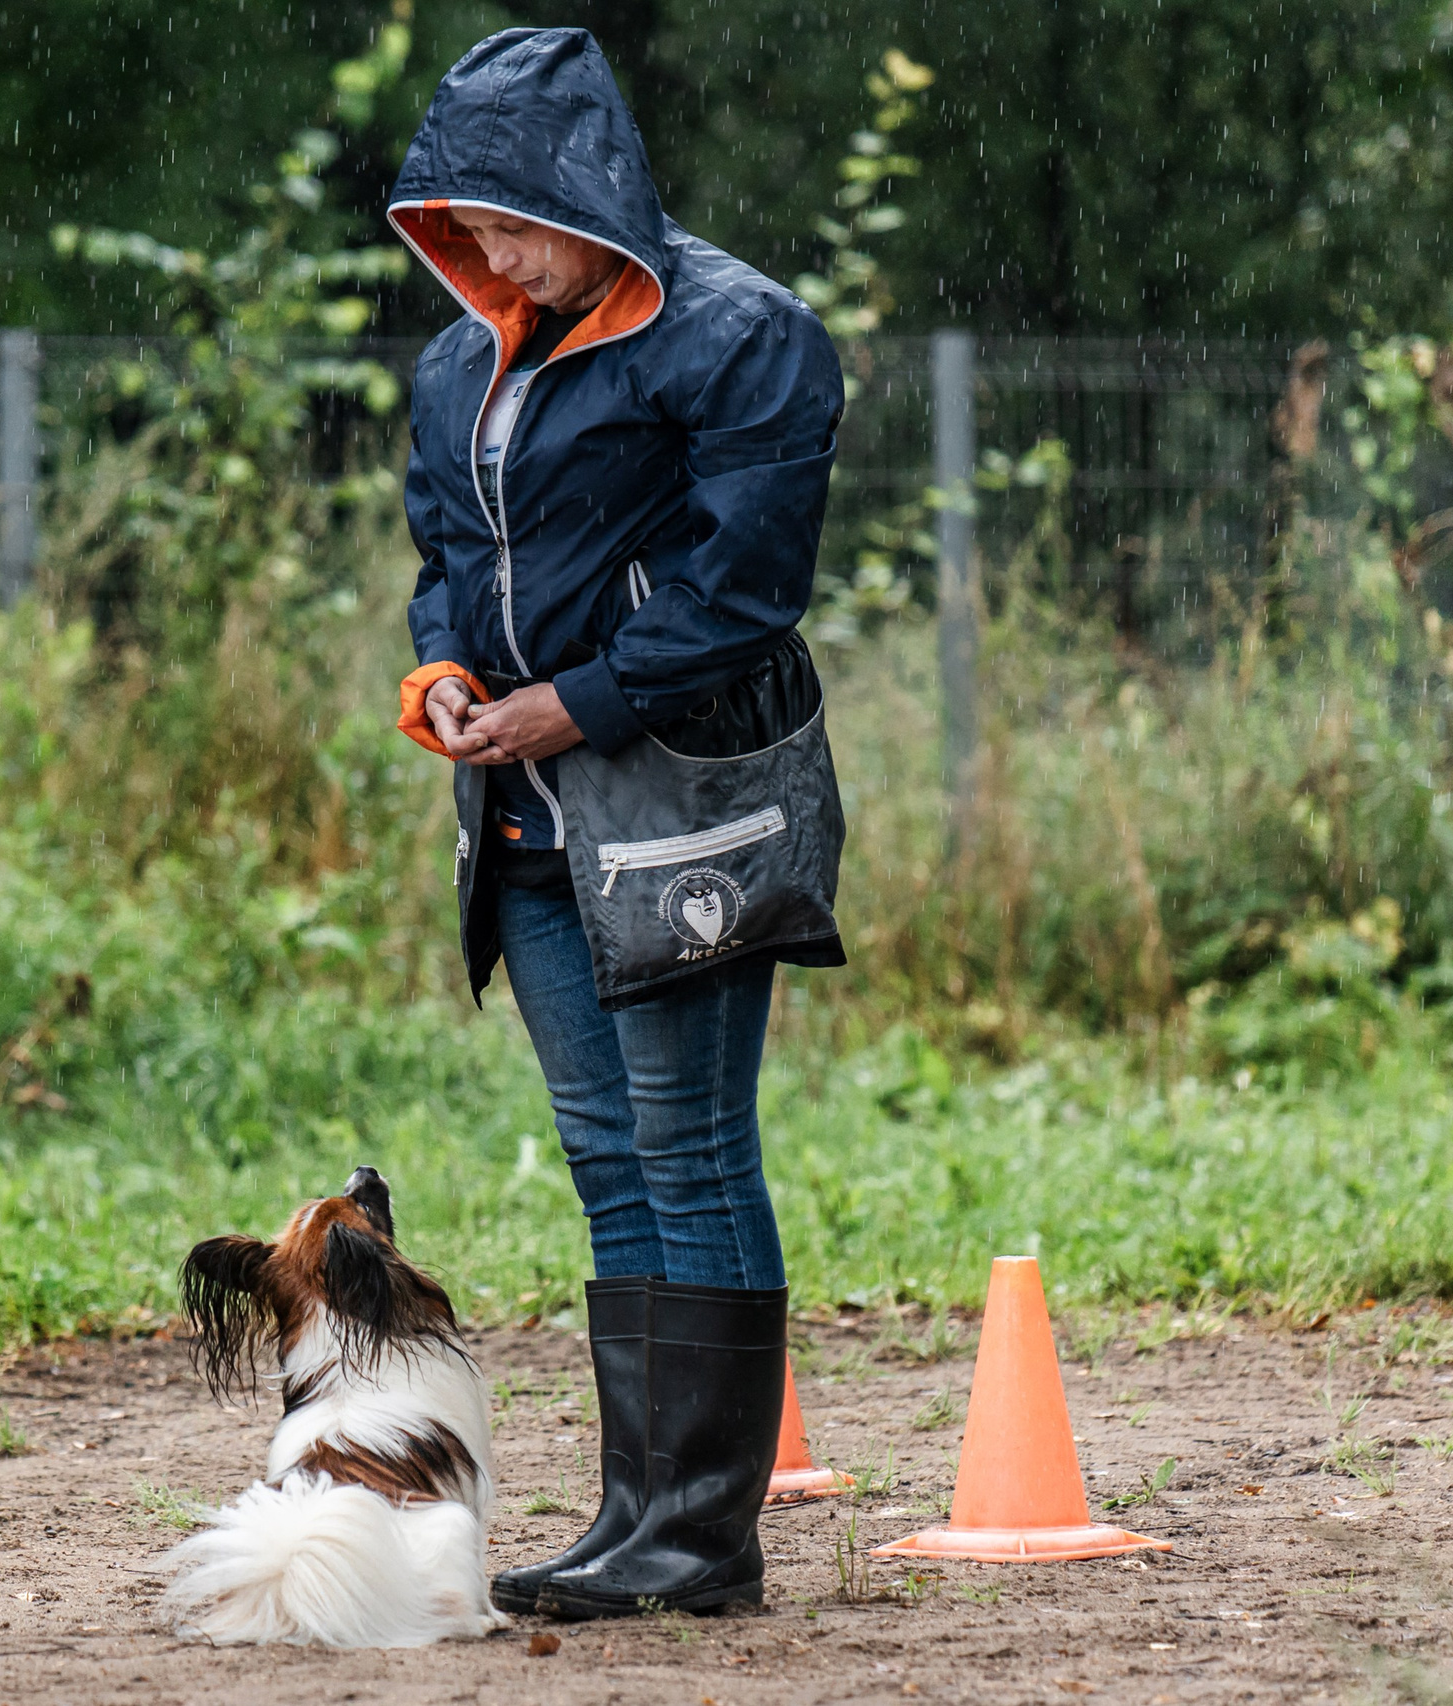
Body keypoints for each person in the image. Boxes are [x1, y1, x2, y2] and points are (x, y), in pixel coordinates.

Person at [386, 28, 848, 1620]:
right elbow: (445, 545)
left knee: (692, 1143)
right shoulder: (463, 362)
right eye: (458, 223)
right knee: (607, 1158)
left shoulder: (743, 337)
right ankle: (632, 1518)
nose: (487, 254)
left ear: (587, 190)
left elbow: (745, 588)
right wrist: (444, 666)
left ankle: (704, 1538)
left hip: (687, 809)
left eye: (509, 218)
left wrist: (574, 703)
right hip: (520, 826)